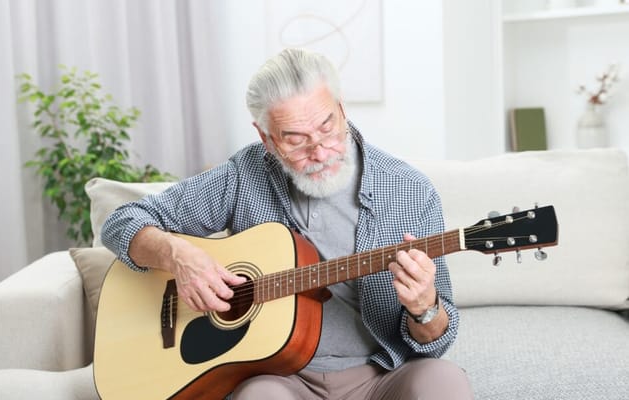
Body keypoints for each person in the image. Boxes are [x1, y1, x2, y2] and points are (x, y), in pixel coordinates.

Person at [101, 48, 473, 400]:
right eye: (296, 140)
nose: (320, 151)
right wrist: (177, 254)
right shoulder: (242, 176)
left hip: (379, 377)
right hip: (279, 379)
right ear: (266, 137)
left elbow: (436, 341)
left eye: (328, 127)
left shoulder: (410, 191)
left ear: (341, 109)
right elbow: (120, 221)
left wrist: (425, 308)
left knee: (444, 379)